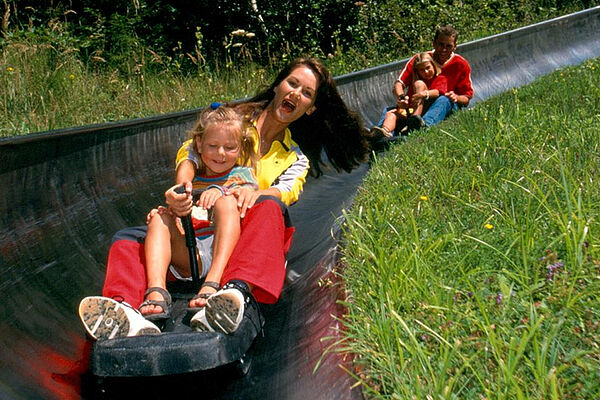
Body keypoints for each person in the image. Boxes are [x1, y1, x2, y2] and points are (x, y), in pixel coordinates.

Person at [78, 57, 369, 340]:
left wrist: (249, 192)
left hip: (244, 237)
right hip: (198, 232)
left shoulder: (295, 157)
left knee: (270, 207)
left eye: (306, 93)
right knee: (130, 237)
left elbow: (285, 192)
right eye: (292, 83)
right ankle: (124, 308)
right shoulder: (235, 120)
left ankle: (235, 291)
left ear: (310, 108)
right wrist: (183, 189)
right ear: (278, 85)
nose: (295, 93)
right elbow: (191, 151)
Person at [138, 105, 259, 329]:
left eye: (229, 147)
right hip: (191, 255)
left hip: (223, 251)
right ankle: (157, 291)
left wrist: (221, 192)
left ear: (240, 148)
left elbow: (248, 195)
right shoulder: (193, 179)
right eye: (213, 146)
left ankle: (213, 284)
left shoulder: (242, 174)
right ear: (199, 145)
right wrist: (171, 212)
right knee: (158, 218)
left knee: (225, 203)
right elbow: (179, 213)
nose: (220, 153)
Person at [372, 25, 473, 137]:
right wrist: (401, 98)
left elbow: (466, 98)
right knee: (390, 111)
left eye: (448, 46)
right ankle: (382, 135)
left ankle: (422, 128)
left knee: (444, 100)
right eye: (441, 44)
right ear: (434, 43)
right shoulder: (420, 60)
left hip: (442, 105)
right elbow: (399, 84)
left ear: (454, 47)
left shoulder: (461, 64)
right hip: (414, 107)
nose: (444, 50)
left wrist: (456, 97)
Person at [370, 52, 447, 138]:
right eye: (422, 70)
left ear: (433, 65)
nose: (426, 72)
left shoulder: (440, 78)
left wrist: (423, 94)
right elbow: (397, 85)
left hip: (425, 110)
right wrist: (402, 98)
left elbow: (438, 92)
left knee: (419, 84)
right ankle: (385, 132)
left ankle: (415, 120)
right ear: (417, 72)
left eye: (428, 68)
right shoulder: (414, 80)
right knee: (391, 113)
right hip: (409, 110)